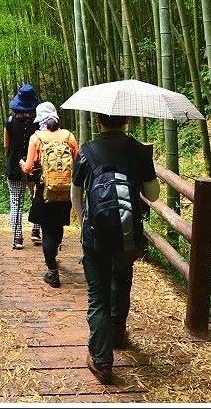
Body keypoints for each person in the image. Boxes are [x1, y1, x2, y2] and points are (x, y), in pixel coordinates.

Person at [70, 113, 160, 385]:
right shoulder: (138, 151)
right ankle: (118, 332)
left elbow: (76, 193)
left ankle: (101, 361)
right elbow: (153, 195)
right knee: (121, 280)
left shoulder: (86, 152)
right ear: (127, 120)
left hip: (95, 237)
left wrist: (82, 225)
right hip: (128, 235)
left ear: (99, 121)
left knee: (98, 297)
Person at [20, 102, 78, 288]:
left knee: (47, 231)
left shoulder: (36, 138)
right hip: (65, 191)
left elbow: (29, 168)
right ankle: (53, 255)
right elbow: (77, 161)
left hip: (44, 191)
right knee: (58, 226)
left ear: (40, 120)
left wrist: (22, 165)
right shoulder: (69, 137)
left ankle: (52, 272)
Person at [4, 84, 42, 250]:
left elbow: (6, 145)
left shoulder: (10, 122)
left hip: (14, 166)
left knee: (15, 202)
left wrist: (12, 157)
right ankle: (35, 231)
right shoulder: (39, 122)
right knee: (37, 199)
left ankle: (18, 238)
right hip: (35, 167)